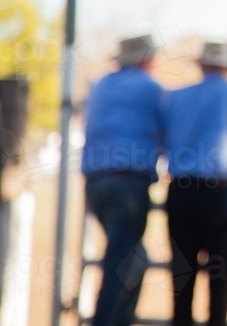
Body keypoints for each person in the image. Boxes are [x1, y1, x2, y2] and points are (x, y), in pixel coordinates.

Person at [164, 42, 227, 326]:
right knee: (220, 273)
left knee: (182, 272)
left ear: (200, 65)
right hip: (220, 192)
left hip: (181, 191)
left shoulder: (175, 99)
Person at [81, 35, 164, 326]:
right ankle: (106, 321)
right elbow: (167, 131)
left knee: (134, 258)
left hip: (95, 183)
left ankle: (120, 318)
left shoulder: (100, 85)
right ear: (147, 59)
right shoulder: (150, 87)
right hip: (128, 183)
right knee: (122, 261)